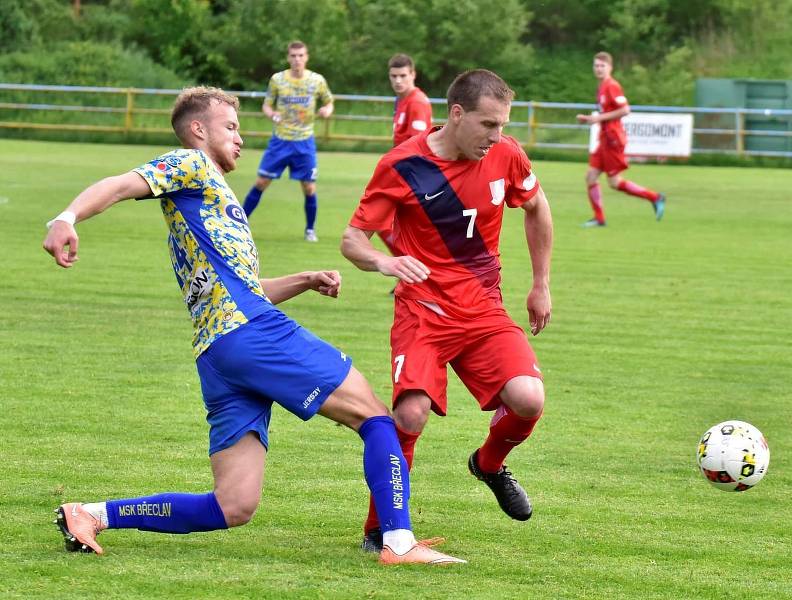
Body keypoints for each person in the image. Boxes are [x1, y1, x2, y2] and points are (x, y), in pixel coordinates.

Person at [42, 86, 463, 566]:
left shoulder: (207, 197)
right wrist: (66, 216)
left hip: (219, 352)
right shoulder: (192, 163)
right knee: (377, 418)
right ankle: (399, 542)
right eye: (231, 127)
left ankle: (91, 514)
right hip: (253, 333)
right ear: (199, 130)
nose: (241, 138)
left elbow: (239, 286)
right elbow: (120, 184)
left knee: (233, 504)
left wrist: (304, 279)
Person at [341, 69, 553, 553]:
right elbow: (352, 239)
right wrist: (383, 261)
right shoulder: (402, 165)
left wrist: (540, 284)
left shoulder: (507, 154)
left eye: (501, 125)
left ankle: (489, 464)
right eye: (487, 124)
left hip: (483, 311)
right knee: (410, 413)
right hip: (423, 311)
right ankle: (380, 531)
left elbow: (537, 206)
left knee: (528, 399)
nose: (496, 136)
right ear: (456, 114)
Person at [241, 41, 333, 242]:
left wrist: (327, 110)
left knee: (309, 187)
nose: (297, 59)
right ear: (288, 57)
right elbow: (266, 105)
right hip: (281, 141)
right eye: (293, 55)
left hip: (304, 142)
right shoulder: (278, 80)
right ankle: (239, 224)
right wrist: (272, 114)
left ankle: (310, 230)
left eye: (300, 55)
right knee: (261, 182)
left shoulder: (316, 80)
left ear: (306, 57)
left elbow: (329, 101)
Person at [576, 51, 666, 227]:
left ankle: (655, 197)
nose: (599, 69)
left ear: (610, 67)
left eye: (602, 66)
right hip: (604, 139)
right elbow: (606, 113)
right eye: (596, 65)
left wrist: (598, 119)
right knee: (591, 177)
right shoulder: (602, 86)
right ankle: (599, 218)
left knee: (615, 183)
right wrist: (590, 119)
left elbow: (625, 110)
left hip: (613, 140)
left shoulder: (611, 85)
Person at [380, 53, 433, 272]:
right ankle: (412, 271)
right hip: (402, 173)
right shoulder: (402, 100)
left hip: (413, 175)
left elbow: (417, 145)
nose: (398, 81)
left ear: (413, 74)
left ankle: (415, 271)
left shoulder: (417, 102)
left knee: (383, 224)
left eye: (403, 75)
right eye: (394, 76)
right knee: (391, 226)